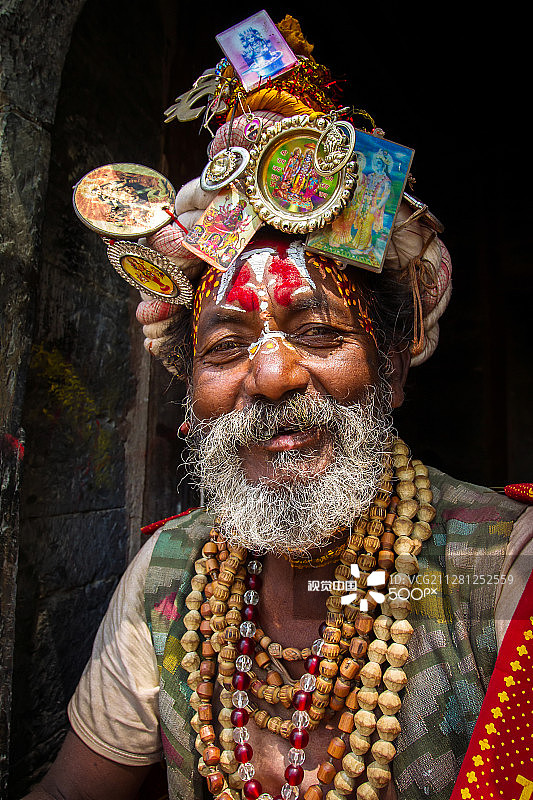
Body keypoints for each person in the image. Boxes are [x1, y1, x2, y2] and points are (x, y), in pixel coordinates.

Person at [25, 15, 533, 800]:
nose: (268, 376)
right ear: (191, 391)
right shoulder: (168, 575)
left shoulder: (500, 572)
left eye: (319, 332)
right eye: (225, 346)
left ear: (391, 370)